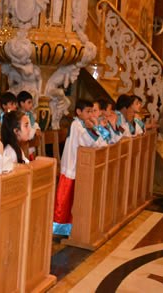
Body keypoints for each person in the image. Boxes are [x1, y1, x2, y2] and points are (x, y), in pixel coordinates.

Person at [53, 100, 108, 236]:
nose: (90, 115)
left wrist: (96, 127)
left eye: (91, 111)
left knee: (73, 200)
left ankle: (71, 228)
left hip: (79, 167)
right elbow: (90, 141)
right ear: (78, 112)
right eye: (88, 111)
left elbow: (103, 143)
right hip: (71, 167)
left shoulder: (83, 124)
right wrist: (96, 127)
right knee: (65, 199)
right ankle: (60, 229)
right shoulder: (76, 125)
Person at [17, 91, 41, 158]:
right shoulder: (19, 116)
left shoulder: (30, 114)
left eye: (31, 102)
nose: (31, 105)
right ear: (22, 103)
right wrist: (34, 131)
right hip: (22, 145)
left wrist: (37, 128)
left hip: (30, 144)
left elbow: (33, 124)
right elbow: (25, 129)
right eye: (29, 102)